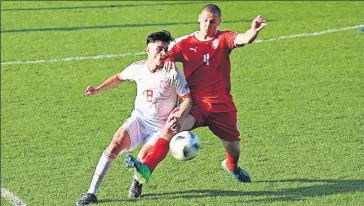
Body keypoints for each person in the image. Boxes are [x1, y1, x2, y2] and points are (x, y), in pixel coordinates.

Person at [124, 4, 267, 196]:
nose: (208, 24)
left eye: (213, 21)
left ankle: (232, 168)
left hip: (221, 107)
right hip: (194, 105)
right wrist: (169, 63)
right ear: (199, 19)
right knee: (168, 129)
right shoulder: (185, 43)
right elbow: (166, 55)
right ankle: (142, 174)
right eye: (206, 20)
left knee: (234, 150)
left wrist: (253, 31)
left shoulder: (223, 39)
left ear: (219, 22)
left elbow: (244, 39)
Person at [76, 30, 192, 205]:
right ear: (148, 49)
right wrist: (99, 89)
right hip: (140, 119)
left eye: (166, 50)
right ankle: (91, 192)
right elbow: (119, 77)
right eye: (159, 49)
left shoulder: (173, 73)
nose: (163, 53)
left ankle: (137, 181)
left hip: (161, 127)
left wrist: (179, 116)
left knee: (144, 156)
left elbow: (187, 99)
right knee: (115, 142)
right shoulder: (138, 68)